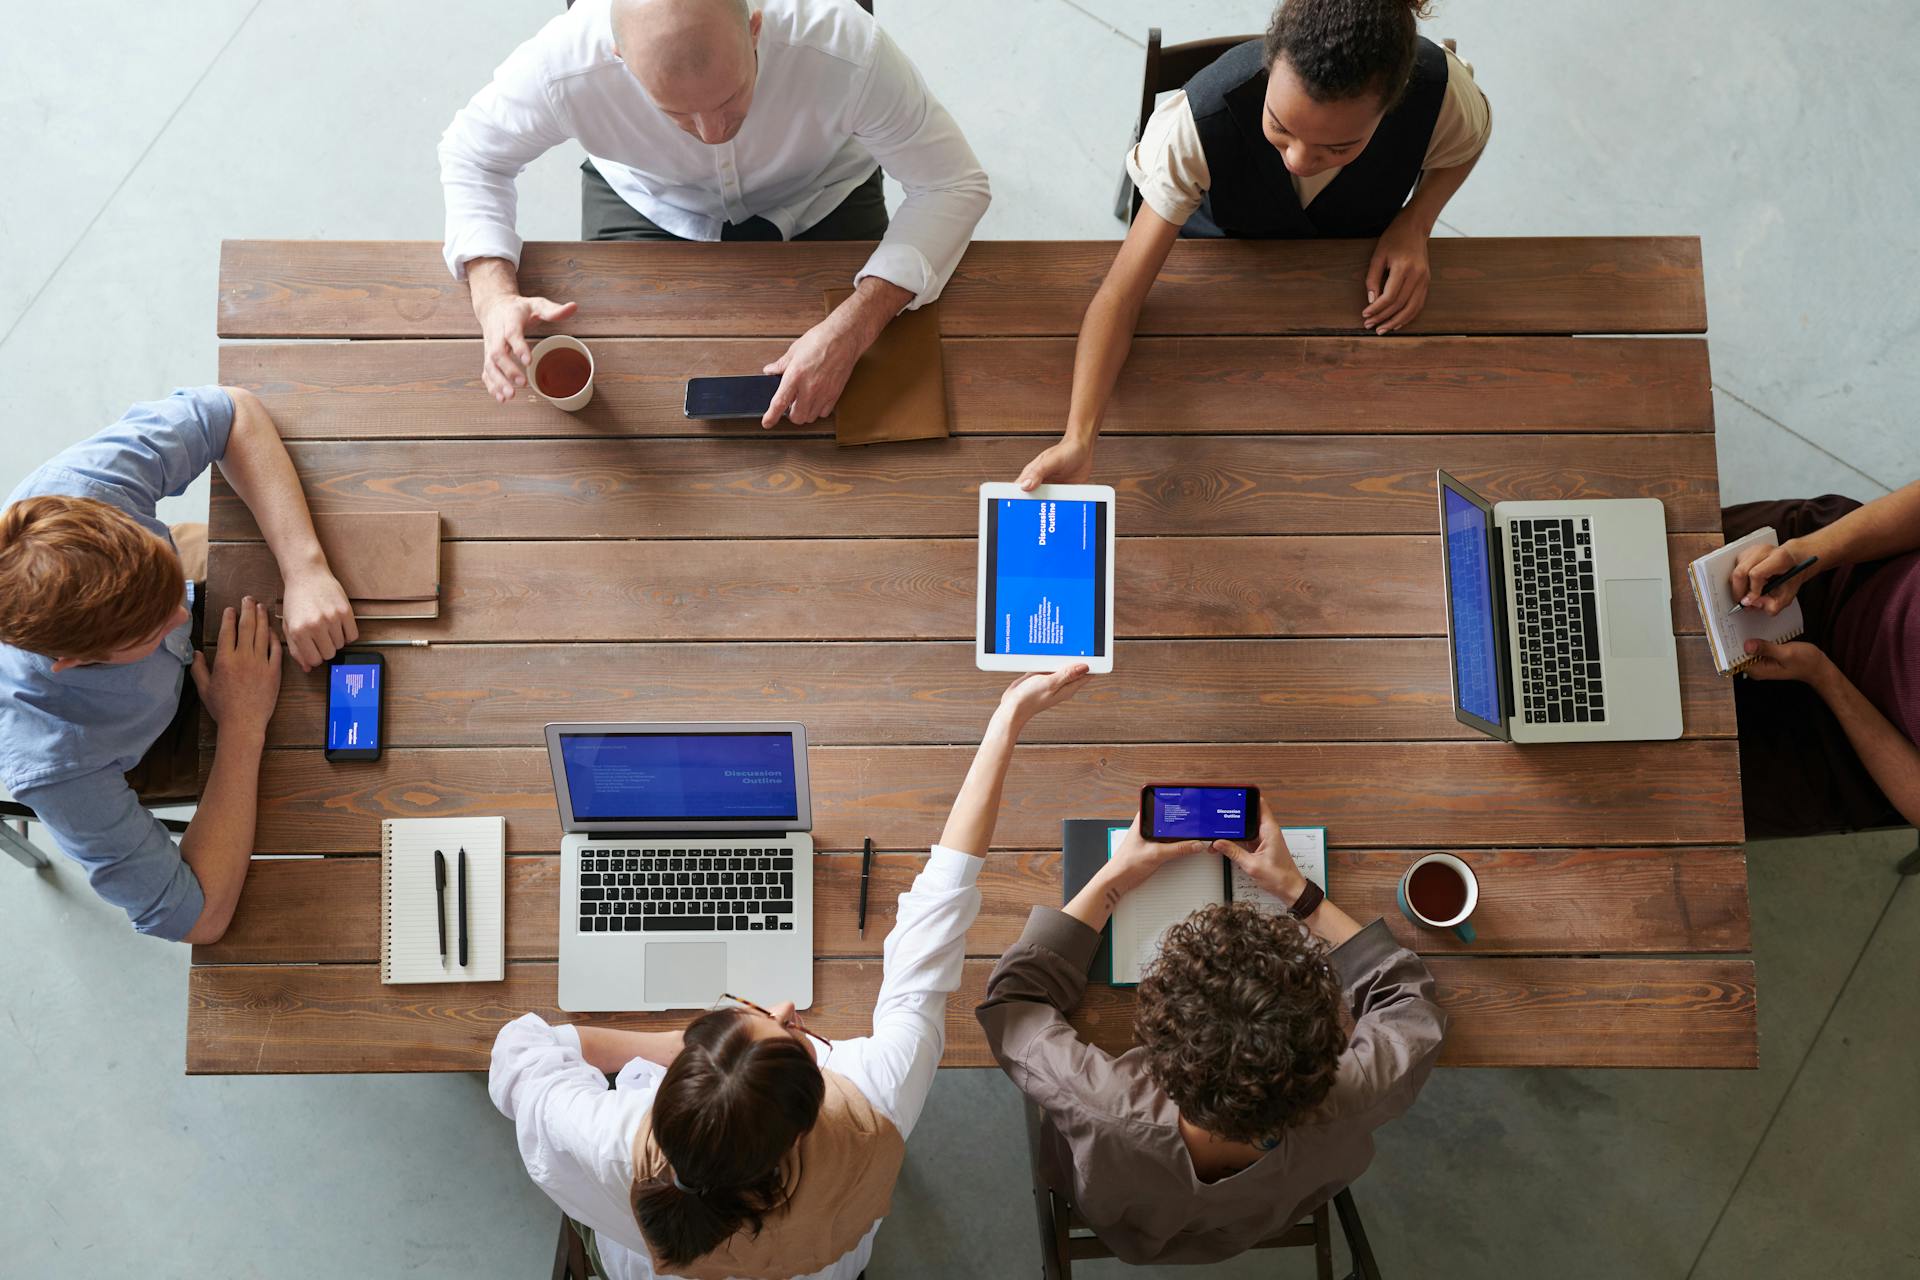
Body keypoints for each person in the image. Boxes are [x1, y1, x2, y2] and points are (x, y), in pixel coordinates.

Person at [488, 663, 1094, 1280]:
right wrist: (1007, 718)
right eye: (793, 1033)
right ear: (811, 1106)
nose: (782, 1008)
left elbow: (516, 1051)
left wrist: (678, 1048)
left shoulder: (611, 1141)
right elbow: (937, 915)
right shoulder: (874, 1100)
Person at [439, 0, 991, 427]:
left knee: (880, 391)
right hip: (650, 200)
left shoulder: (845, 46)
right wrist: (493, 296)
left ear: (754, 30)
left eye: (731, 99)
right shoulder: (564, 63)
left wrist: (856, 322)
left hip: (823, 191)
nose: (713, 133)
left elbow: (952, 182)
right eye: (676, 112)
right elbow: (471, 156)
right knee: (632, 392)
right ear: (619, 60)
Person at [1018, 0, 1490, 491]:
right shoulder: (1195, 126)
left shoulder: (1437, 90)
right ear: (1269, 69)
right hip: (1221, 256)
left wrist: (1417, 221)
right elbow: (1119, 294)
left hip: (1344, 278)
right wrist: (1079, 437)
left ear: (1394, 105)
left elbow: (1470, 139)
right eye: (1280, 128)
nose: (1299, 161)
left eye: (1339, 147)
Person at [977, 796, 1446, 1265]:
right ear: (1326, 1042)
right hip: (1264, 1216)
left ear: (1156, 1050)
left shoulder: (1098, 1100)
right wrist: (1297, 891)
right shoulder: (1358, 1093)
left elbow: (1015, 1001)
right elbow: (1410, 1003)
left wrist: (1114, 878)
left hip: (1132, 1229)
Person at [0, 387, 356, 943]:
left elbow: (231, 410)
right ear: (70, 663)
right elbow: (192, 916)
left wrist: (305, 569)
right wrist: (240, 728)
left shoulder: (78, 492)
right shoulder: (58, 763)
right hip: (139, 742)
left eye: (168, 583)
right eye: (153, 628)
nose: (181, 614)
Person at [1721, 482, 1920, 839]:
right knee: (1669, 549)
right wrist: (1804, 554)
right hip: (1848, 568)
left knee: (1678, 787)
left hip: (1851, 742)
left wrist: (1824, 677)